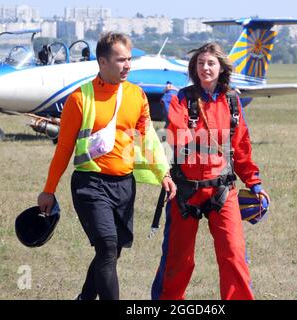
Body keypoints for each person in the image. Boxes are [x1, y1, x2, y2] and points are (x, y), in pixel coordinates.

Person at [37, 32, 176, 300]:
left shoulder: (136, 95)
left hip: (124, 185)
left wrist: (163, 174)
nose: (127, 65)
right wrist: (48, 190)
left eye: (129, 59)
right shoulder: (80, 99)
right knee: (108, 246)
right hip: (90, 183)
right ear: (102, 62)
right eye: (120, 60)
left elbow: (147, 138)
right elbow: (64, 148)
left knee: (110, 252)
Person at [151, 42, 270, 300]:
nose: (205, 68)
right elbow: (176, 134)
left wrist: (254, 183)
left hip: (222, 191)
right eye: (200, 63)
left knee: (234, 255)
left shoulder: (232, 103)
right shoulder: (182, 99)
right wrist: (172, 103)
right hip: (185, 193)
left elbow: (241, 148)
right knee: (178, 261)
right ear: (194, 67)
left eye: (211, 63)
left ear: (221, 68)